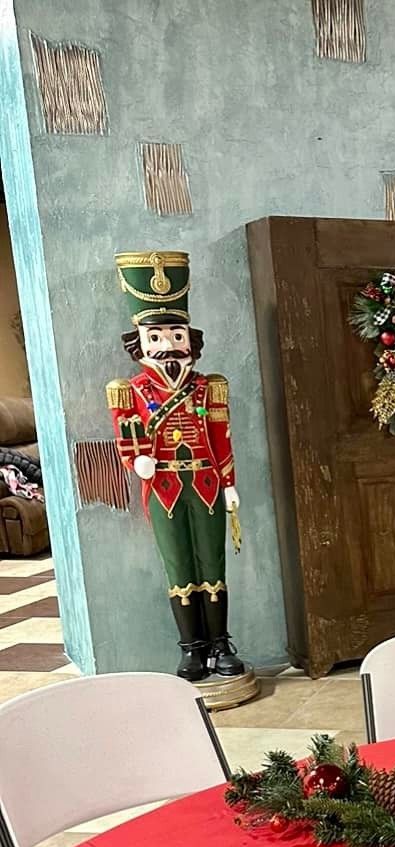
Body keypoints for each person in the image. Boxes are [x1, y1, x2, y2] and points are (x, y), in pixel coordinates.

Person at [106, 250, 243, 681]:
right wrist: (138, 462)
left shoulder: (209, 388)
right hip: (163, 487)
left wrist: (230, 482)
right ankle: (192, 650)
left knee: (213, 562)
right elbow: (127, 438)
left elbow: (221, 439)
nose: (168, 345)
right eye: (157, 337)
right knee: (179, 565)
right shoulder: (129, 391)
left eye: (175, 334)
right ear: (141, 344)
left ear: (190, 338)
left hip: (205, 483)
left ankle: (221, 645)